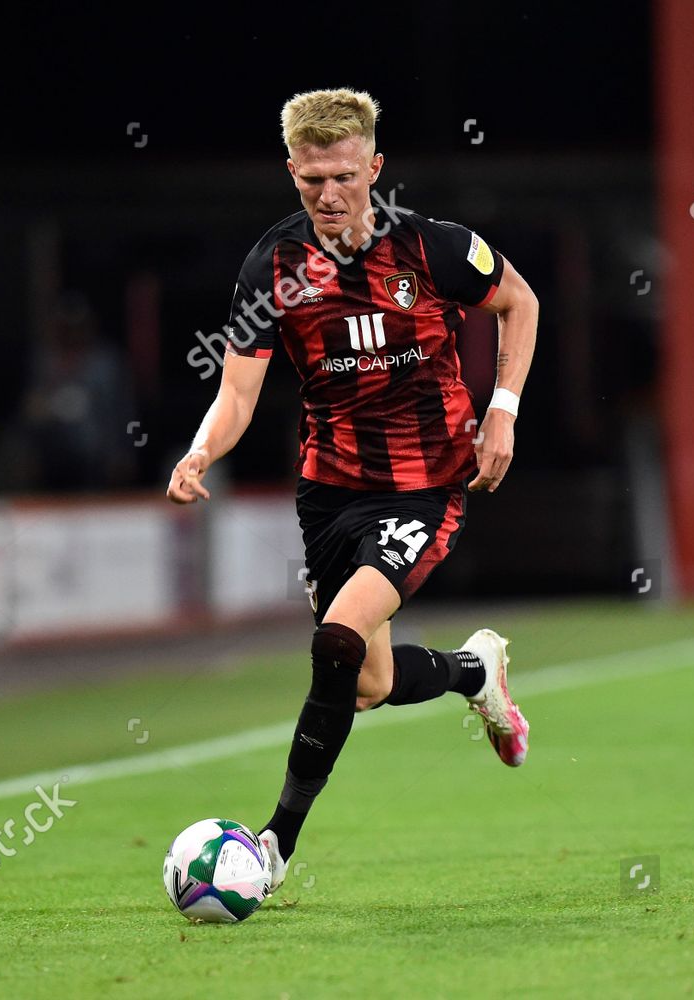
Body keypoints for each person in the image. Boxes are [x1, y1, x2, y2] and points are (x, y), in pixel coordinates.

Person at [167, 89, 538, 896]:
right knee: (364, 683)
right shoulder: (270, 267)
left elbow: (521, 302)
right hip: (329, 494)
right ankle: (473, 673)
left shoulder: (432, 248)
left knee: (336, 637)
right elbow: (237, 395)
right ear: (291, 172)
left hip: (427, 486)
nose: (329, 196)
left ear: (374, 168)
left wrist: (502, 411)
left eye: (343, 177)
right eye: (311, 182)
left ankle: (275, 844)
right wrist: (200, 452)